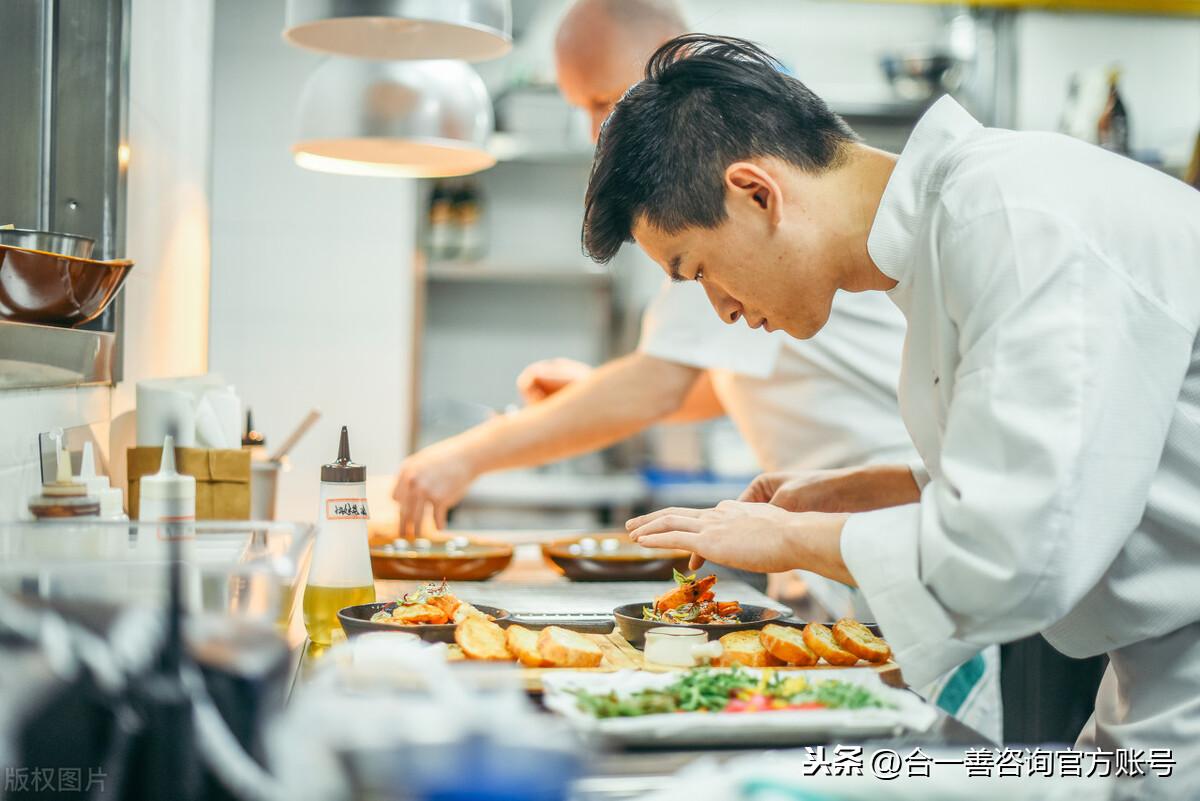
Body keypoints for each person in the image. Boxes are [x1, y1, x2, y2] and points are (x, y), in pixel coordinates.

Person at [587, 33, 1200, 796]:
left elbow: (1014, 556)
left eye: (699, 269)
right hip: (1150, 696)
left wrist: (791, 538)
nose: (721, 309)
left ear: (757, 192)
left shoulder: (1015, 216)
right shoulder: (959, 228)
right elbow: (1091, 454)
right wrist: (872, 487)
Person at [393, 0, 1001, 740]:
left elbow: (660, 384)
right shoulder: (778, 221)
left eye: (599, 102)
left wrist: (461, 458)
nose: (596, 132)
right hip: (873, 552)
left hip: (926, 573)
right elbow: (716, 378)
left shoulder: (708, 180)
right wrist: (592, 391)